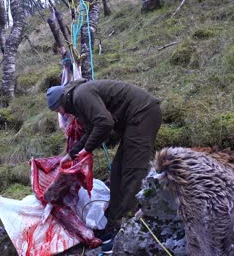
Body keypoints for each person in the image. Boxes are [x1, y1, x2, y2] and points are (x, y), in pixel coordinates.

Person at [46, 79, 162, 253]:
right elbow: (92, 130)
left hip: (143, 114)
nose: (61, 113)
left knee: (132, 172)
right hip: (134, 120)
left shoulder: (81, 95)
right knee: (117, 172)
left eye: (58, 109)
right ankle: (114, 224)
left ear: (62, 101)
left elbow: (105, 123)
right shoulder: (78, 101)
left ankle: (127, 228)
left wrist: (87, 149)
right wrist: (72, 154)